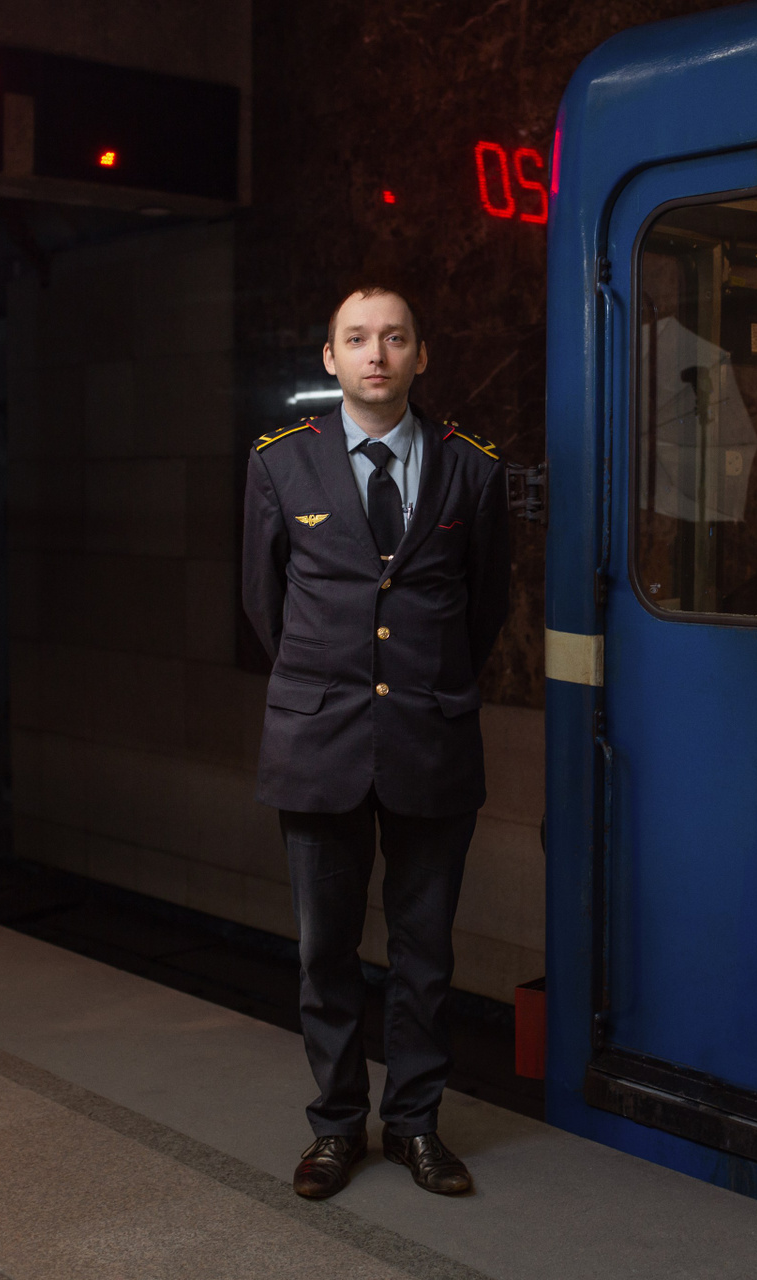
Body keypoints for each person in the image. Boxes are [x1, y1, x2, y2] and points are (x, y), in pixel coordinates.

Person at [241, 285, 510, 1199]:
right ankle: (335, 1128)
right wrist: (331, 687)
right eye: (357, 339)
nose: (376, 354)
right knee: (325, 953)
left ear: (420, 355)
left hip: (431, 740)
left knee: (424, 954)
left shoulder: (471, 468)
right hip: (318, 745)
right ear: (331, 358)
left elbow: (485, 608)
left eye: (395, 338)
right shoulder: (281, 463)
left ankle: (414, 1126)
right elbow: (264, 606)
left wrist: (422, 688)